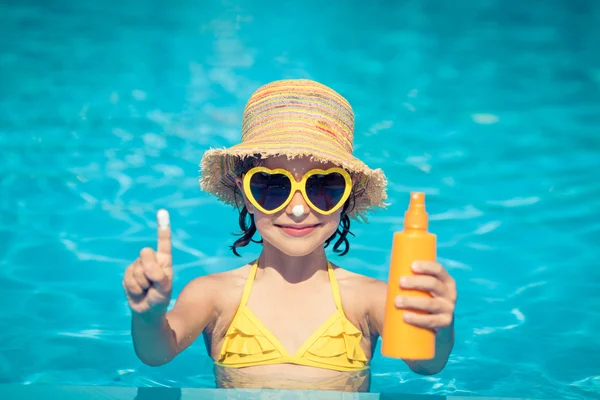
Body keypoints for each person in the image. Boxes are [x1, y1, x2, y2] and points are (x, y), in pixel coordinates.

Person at [122, 79, 457, 392]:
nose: (298, 209)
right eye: (272, 185)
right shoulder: (215, 294)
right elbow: (156, 353)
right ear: (244, 193)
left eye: (323, 186)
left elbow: (426, 366)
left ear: (347, 198)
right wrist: (149, 316)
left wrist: (439, 330)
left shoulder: (368, 299)